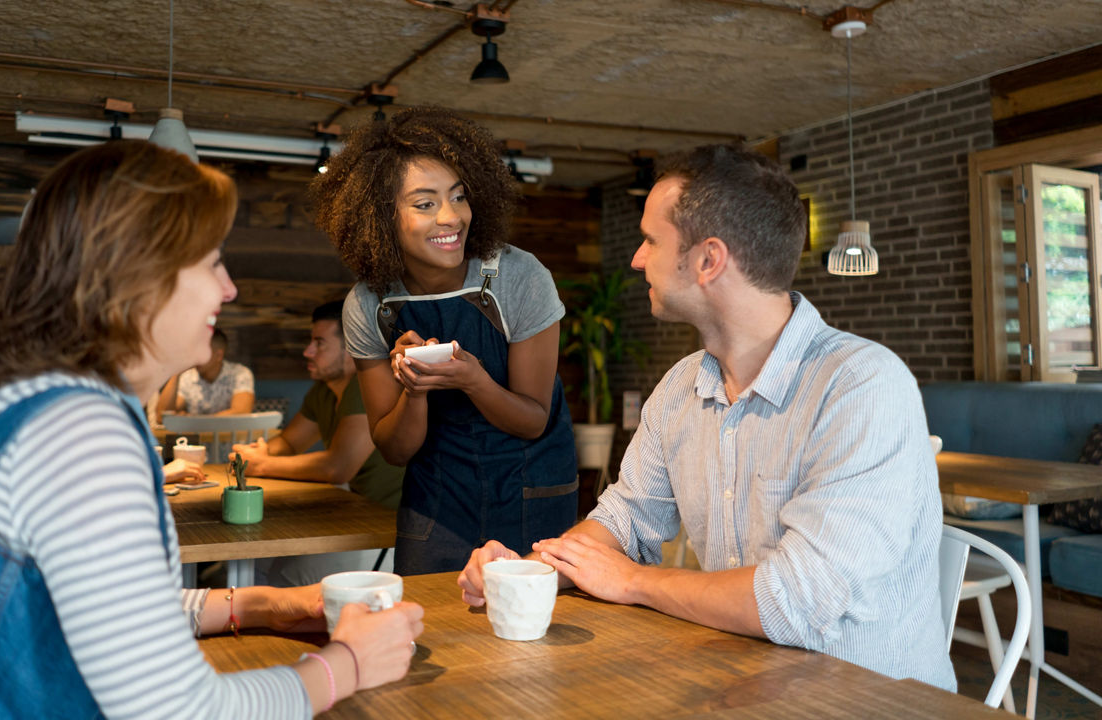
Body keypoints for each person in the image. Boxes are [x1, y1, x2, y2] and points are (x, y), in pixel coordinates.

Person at [0, 140, 422, 719]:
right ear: (140, 274)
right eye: (212, 261)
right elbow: (177, 710)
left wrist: (260, 605)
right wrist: (350, 664)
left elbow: (100, 611)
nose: (228, 288)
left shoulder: (22, 398)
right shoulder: (83, 435)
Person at [458, 144, 956, 691]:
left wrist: (634, 582)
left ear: (708, 259)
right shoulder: (680, 389)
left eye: (651, 240)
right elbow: (625, 523)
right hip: (743, 684)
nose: (637, 259)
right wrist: (528, 571)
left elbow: (794, 602)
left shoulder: (861, 385)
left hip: (871, 701)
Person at [310, 107, 578, 576]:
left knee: (527, 637)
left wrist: (473, 380)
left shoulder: (519, 277)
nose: (451, 217)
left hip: (529, 489)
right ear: (380, 217)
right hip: (436, 501)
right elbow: (394, 450)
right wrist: (415, 390)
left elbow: (533, 421)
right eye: (425, 203)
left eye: (458, 197)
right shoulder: (369, 304)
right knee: (431, 630)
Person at [229, 301, 405, 585]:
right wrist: (262, 451)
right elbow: (289, 441)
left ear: (352, 350)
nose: (307, 352)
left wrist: (261, 464)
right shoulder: (323, 391)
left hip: (387, 533)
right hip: (354, 516)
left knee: (270, 577)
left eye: (319, 343)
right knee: (255, 563)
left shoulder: (366, 387)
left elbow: (338, 467)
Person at [157, 328, 255, 415]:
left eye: (201, 351)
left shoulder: (240, 374)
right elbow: (163, 417)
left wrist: (193, 422)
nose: (196, 356)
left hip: (230, 436)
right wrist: (176, 372)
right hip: (194, 436)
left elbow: (241, 412)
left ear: (218, 355)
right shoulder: (187, 377)